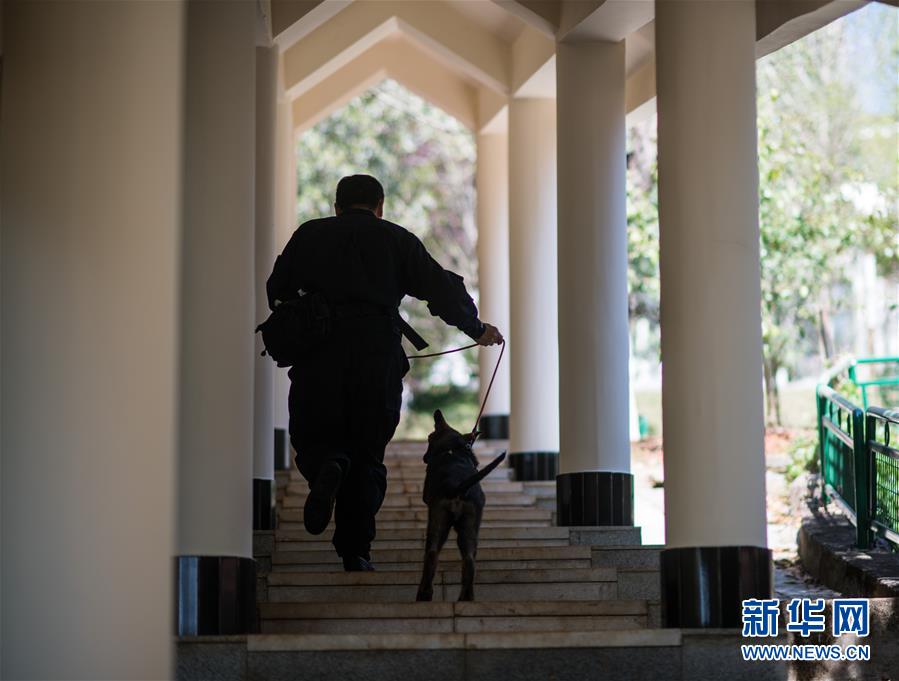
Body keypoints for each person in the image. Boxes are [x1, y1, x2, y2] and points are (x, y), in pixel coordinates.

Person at [266, 174, 503, 571]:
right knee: (367, 452)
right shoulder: (397, 239)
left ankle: (327, 464)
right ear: (380, 207)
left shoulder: (309, 235)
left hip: (319, 353)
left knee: (313, 436)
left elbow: (277, 291)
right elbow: (440, 288)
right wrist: (476, 329)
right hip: (377, 357)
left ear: (336, 206)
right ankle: (355, 550)